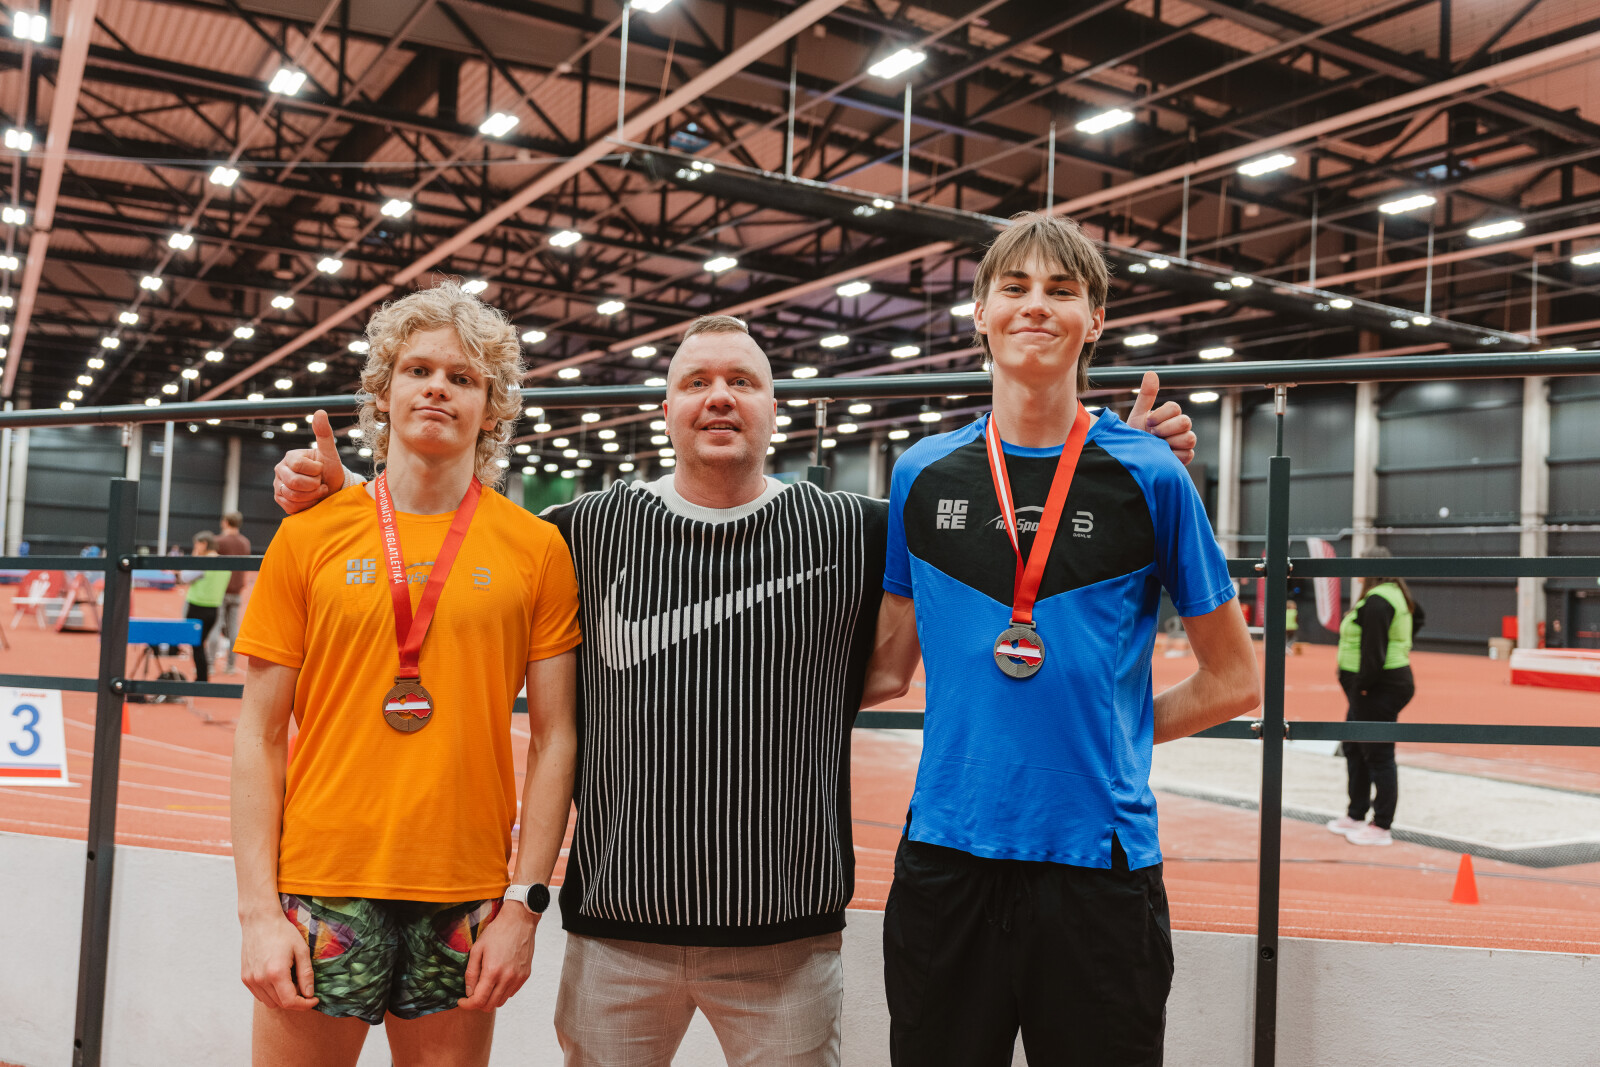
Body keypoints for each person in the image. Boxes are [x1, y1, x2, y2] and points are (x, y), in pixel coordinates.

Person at [272, 314, 1199, 1066]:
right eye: (697, 382)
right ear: (665, 408)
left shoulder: (856, 530)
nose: (719, 397)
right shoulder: (578, 532)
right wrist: (347, 493)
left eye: (743, 381)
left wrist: (1123, 458)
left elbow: (1007, 521)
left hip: (786, 942)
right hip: (616, 935)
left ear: (774, 408)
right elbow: (447, 538)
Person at [865, 211, 1260, 1066]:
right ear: (980, 313)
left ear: (1096, 319)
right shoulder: (921, 474)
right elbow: (888, 666)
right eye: (1014, 287)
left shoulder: (1150, 475)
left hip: (1099, 867)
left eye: (1062, 289)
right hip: (946, 858)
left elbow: (1235, 679)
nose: (1036, 304)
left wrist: (1118, 732)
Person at [231, 282, 582, 1067]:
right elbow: (257, 731)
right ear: (383, 394)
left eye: (463, 377)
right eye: (418, 370)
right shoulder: (308, 536)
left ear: (491, 409)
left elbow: (556, 736)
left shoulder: (536, 549)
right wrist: (257, 912)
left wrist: (524, 907)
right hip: (321, 881)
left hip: (463, 889)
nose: (437, 388)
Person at [1326, 548, 1417, 848]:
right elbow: (1418, 617)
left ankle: (1381, 825)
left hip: (1378, 686)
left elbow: (1374, 650)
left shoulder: (1379, 600)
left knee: (1378, 754)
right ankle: (1356, 813)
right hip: (1374, 685)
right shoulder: (1392, 594)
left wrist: (1362, 685)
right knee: (1354, 746)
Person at [179, 531, 228, 684]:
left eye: (196, 545)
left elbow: (184, 577)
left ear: (204, 544)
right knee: (200, 644)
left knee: (197, 645)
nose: (195, 548)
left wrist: (195, 557)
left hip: (197, 607)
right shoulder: (225, 564)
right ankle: (202, 677)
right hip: (214, 609)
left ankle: (201, 679)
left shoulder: (204, 562)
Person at [210, 510, 251, 675]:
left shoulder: (218, 541)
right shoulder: (245, 542)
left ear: (225, 522)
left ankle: (210, 665)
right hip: (237, 590)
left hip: (220, 590)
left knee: (215, 626)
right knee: (233, 629)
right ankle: (231, 666)